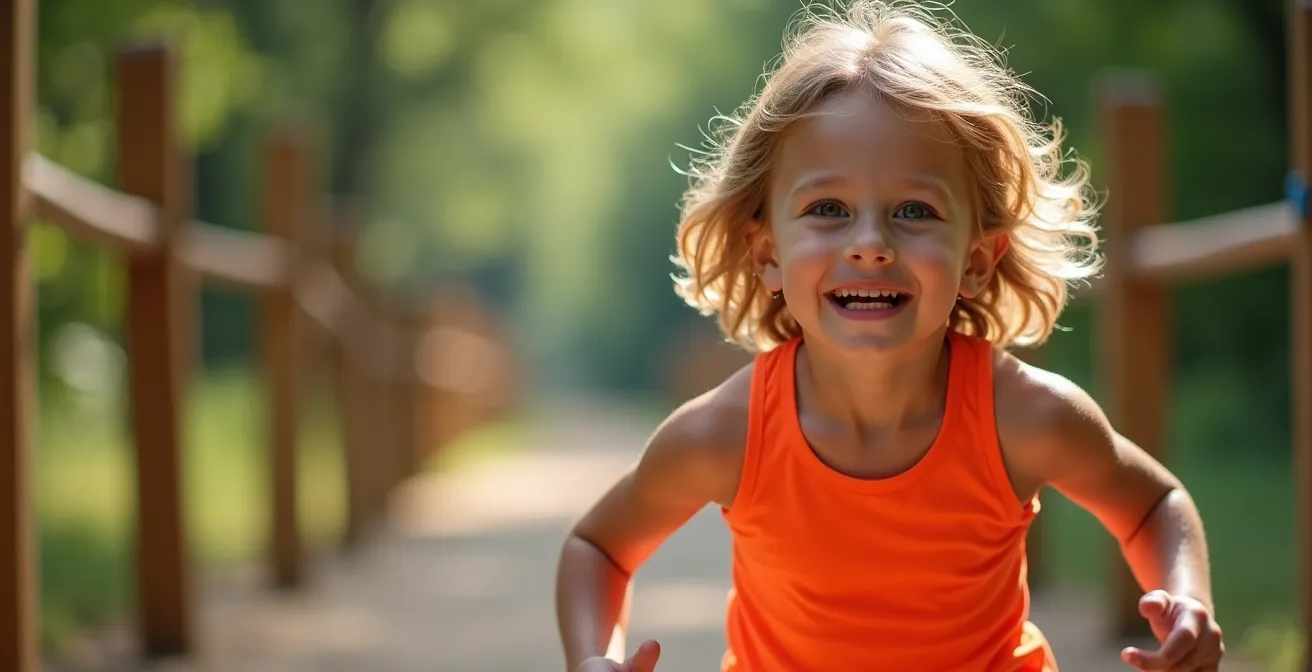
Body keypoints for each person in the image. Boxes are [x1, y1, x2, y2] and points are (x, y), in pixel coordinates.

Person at [554, 2, 1225, 670]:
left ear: (976, 258)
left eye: (914, 210)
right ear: (767, 254)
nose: (870, 245)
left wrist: (1187, 598)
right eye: (828, 210)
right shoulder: (726, 435)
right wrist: (593, 658)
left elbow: (1155, 503)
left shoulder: (1023, 417)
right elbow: (599, 548)